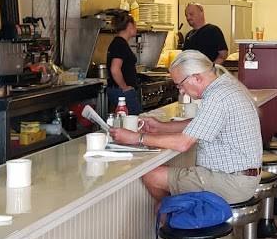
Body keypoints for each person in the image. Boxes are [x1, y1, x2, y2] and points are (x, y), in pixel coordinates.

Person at [109, 50, 263, 204]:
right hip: (242, 179)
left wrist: (136, 138)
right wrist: (160, 127)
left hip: (232, 182)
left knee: (152, 176)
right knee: (166, 173)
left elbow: (183, 144)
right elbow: (201, 124)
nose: (181, 91)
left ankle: (172, 213)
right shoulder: (225, 85)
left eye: (180, 85)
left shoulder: (216, 97)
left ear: (196, 78)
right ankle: (174, 211)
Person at [106, 11, 142, 115]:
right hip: (122, 93)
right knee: (133, 120)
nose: (136, 28)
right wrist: (124, 87)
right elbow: (115, 69)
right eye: (135, 25)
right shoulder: (120, 44)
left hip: (120, 91)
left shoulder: (119, 43)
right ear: (130, 26)